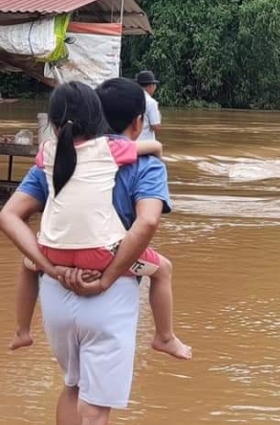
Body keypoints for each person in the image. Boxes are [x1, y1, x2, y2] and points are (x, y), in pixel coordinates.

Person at [0, 79, 175, 425]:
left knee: (73, 387)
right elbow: (147, 223)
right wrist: (108, 277)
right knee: (96, 407)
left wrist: (48, 268)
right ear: (138, 122)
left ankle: (22, 329)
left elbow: (10, 214)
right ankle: (166, 336)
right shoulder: (141, 163)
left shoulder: (50, 160)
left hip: (55, 286)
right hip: (110, 284)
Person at [135, 70, 162, 141]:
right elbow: (156, 127)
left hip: (131, 144)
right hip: (146, 144)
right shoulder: (151, 102)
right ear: (151, 86)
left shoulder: (129, 98)